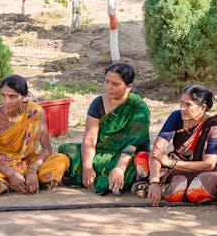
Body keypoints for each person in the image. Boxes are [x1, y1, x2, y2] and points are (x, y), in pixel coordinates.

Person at [0, 75, 70, 195]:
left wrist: (32, 170)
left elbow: (46, 149)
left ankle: (20, 182)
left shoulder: (35, 111)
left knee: (61, 159)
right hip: (1, 163)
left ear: (24, 97)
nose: (6, 101)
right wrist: (10, 173)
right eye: (3, 95)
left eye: (12, 96)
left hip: (28, 162)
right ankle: (27, 182)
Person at [58, 62, 151, 195]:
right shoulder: (98, 103)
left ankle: (116, 177)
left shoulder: (138, 108)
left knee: (136, 166)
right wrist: (87, 167)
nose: (109, 87)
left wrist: (119, 167)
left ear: (128, 87)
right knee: (67, 150)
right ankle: (106, 179)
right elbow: (90, 139)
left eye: (115, 84)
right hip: (101, 151)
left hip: (127, 156)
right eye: (107, 82)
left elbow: (133, 144)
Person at [132, 84, 217, 206]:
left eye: (188, 104)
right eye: (181, 103)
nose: (182, 108)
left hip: (199, 170)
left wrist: (171, 163)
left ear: (203, 107)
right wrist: (155, 181)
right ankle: (159, 187)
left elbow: (209, 164)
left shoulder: (214, 125)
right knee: (142, 158)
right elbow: (157, 151)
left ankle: (161, 189)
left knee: (213, 179)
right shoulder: (176, 116)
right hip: (172, 167)